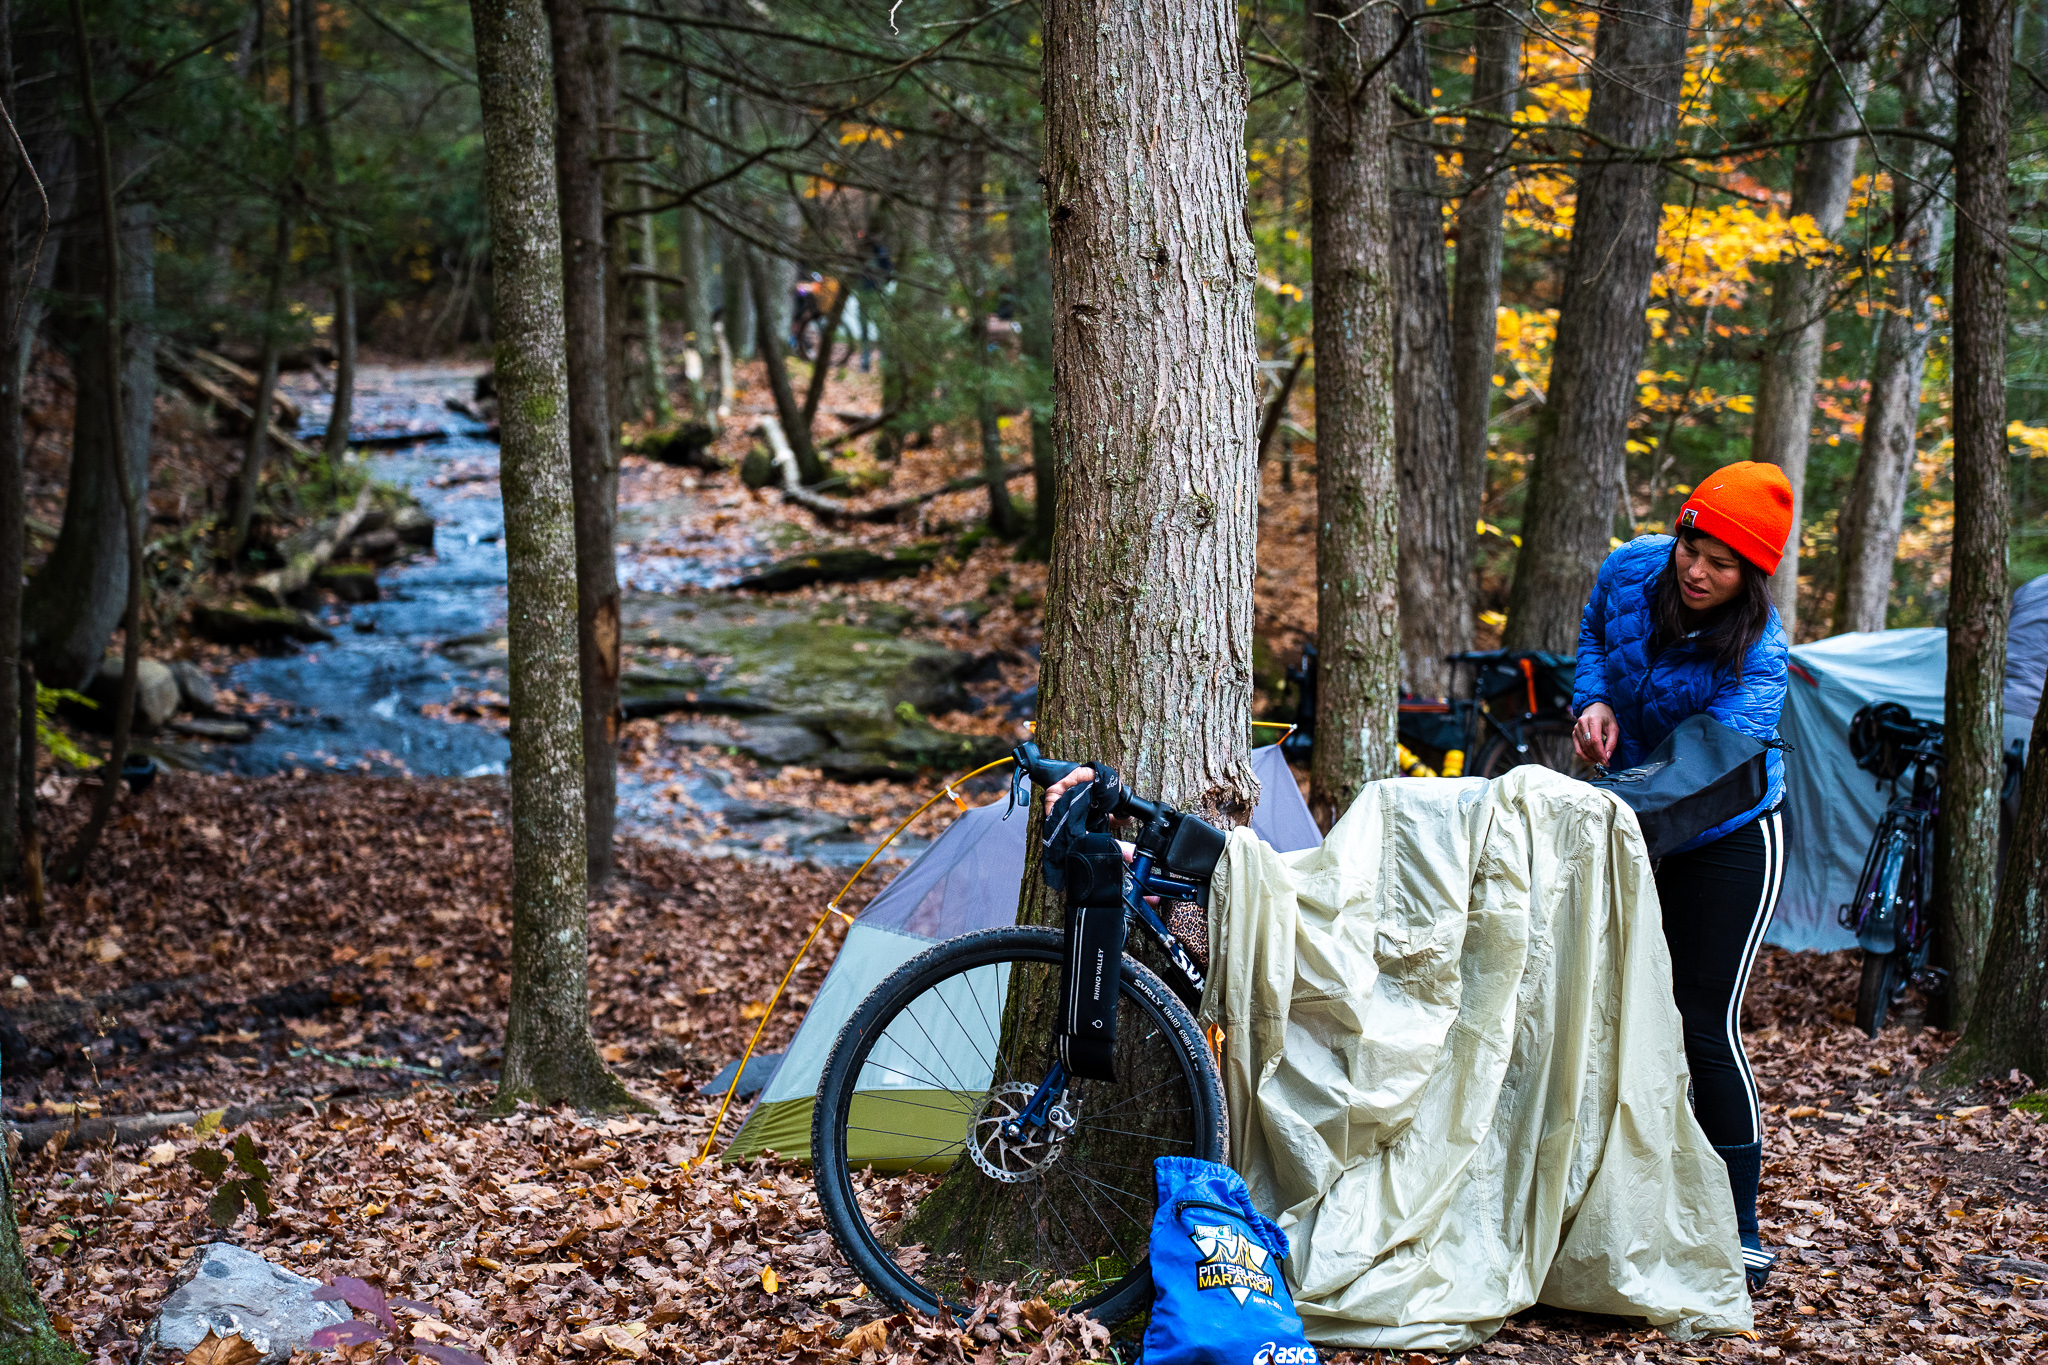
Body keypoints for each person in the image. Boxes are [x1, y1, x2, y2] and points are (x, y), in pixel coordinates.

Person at [1570, 459, 1794, 1295]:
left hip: (1729, 829)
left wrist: (1600, 804)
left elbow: (1700, 767)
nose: (1696, 570)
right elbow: (1596, 632)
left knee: (1702, 1018)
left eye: (1721, 562)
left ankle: (1738, 1223)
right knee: (1618, 1006)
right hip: (1635, 811)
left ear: (1752, 575)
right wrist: (1593, 703)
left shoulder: (1760, 654)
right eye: (1691, 546)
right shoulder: (1633, 565)